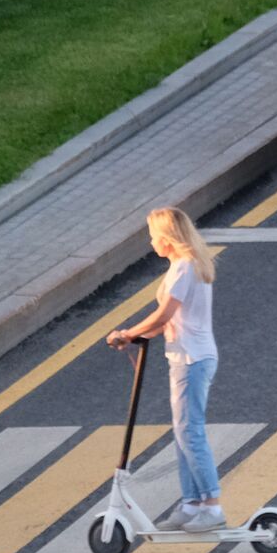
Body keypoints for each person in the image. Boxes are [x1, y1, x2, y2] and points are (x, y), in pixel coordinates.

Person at [105, 207, 226, 530]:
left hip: (193, 359)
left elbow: (162, 315)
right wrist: (135, 337)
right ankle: (191, 503)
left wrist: (128, 332)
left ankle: (212, 507)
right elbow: (166, 322)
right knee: (183, 432)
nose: (150, 241)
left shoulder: (185, 268)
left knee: (191, 432)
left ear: (168, 239)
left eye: (153, 235)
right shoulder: (180, 267)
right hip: (186, 357)